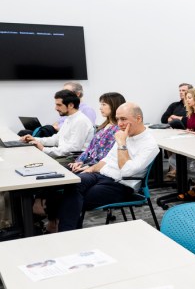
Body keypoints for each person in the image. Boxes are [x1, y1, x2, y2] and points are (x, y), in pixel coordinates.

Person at [54, 103, 160, 233]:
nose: (119, 124)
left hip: (121, 184)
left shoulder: (150, 145)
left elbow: (126, 170)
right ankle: (69, 234)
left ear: (138, 119)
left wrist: (121, 143)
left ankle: (66, 233)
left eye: (123, 119)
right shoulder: (123, 134)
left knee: (72, 199)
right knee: (71, 185)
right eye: (118, 119)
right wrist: (90, 169)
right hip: (100, 175)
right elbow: (106, 160)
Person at [36, 92, 127, 233]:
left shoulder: (117, 129)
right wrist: (79, 161)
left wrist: (86, 165)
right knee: (54, 174)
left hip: (98, 169)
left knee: (67, 184)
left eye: (104, 104)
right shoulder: (104, 126)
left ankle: (54, 219)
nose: (100, 108)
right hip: (87, 163)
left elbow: (107, 156)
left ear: (114, 106)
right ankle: (51, 217)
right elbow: (89, 149)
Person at [20, 89, 94, 159]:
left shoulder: (81, 121)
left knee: (32, 157)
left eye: (59, 105)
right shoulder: (70, 118)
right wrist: (35, 139)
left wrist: (43, 149)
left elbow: (73, 149)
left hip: (72, 159)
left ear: (71, 105)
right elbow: (56, 139)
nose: (56, 108)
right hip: (63, 155)